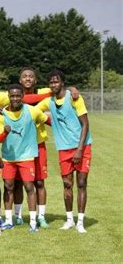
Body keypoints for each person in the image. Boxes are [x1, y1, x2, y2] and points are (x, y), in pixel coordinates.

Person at [13, 67, 80, 227]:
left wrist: (71, 88)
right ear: (20, 80)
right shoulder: (14, 94)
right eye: (24, 76)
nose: (28, 78)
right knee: (17, 183)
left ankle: (41, 216)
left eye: (31, 76)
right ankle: (18, 216)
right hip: (19, 145)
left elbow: (63, 88)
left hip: (38, 144)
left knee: (39, 182)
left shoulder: (45, 90)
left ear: (35, 80)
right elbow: (24, 100)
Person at [36, 69, 92, 234]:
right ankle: (69, 220)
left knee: (81, 183)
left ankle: (80, 221)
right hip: (63, 149)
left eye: (56, 81)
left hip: (82, 146)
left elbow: (85, 124)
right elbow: (32, 109)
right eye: (51, 82)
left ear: (63, 83)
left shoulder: (74, 97)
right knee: (67, 184)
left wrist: (80, 150)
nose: (54, 84)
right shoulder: (49, 101)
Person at [0, 84, 50, 232]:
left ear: (22, 97)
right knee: (8, 187)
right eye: (12, 96)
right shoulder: (1, 116)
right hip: (9, 158)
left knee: (29, 187)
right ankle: (9, 220)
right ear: (8, 97)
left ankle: (33, 222)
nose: (15, 98)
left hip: (27, 156)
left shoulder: (32, 111)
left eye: (18, 95)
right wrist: (5, 133)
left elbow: (48, 120)